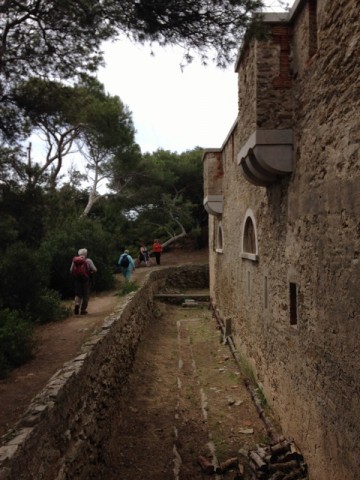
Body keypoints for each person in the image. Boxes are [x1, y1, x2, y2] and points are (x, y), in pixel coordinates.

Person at [70, 248, 97, 315]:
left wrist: (76, 274)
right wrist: (90, 272)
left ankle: (77, 305)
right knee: (85, 295)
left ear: (79, 254)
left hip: (77, 279)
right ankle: (83, 310)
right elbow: (95, 270)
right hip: (86, 279)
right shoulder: (88, 260)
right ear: (86, 254)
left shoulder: (75, 261)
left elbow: (71, 270)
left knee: (78, 294)